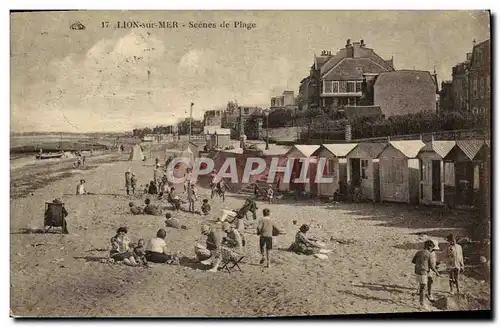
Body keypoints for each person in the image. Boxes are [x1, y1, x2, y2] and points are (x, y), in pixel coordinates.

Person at [412, 240, 440, 309]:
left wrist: (421, 263)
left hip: (417, 271)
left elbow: (413, 261)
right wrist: (437, 272)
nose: (432, 249)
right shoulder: (429, 254)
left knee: (421, 286)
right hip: (423, 272)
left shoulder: (418, 252)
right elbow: (432, 266)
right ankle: (422, 303)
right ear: (429, 247)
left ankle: (421, 301)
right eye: (432, 248)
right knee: (423, 288)